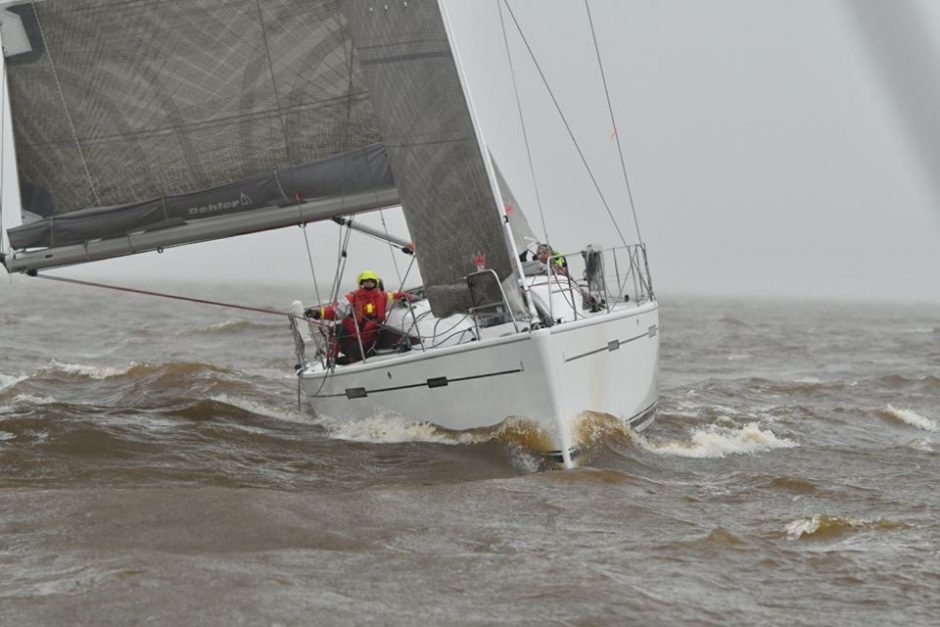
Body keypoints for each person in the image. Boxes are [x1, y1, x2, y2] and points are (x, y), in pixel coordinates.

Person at [305, 270, 410, 364]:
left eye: (371, 281)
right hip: (355, 333)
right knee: (338, 330)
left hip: (372, 334)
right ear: (361, 283)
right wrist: (319, 313)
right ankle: (332, 359)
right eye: (365, 281)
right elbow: (336, 310)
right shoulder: (352, 297)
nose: (368, 283)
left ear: (375, 282)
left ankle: (351, 359)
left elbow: (398, 295)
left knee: (360, 354)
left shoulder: (384, 296)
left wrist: (409, 297)